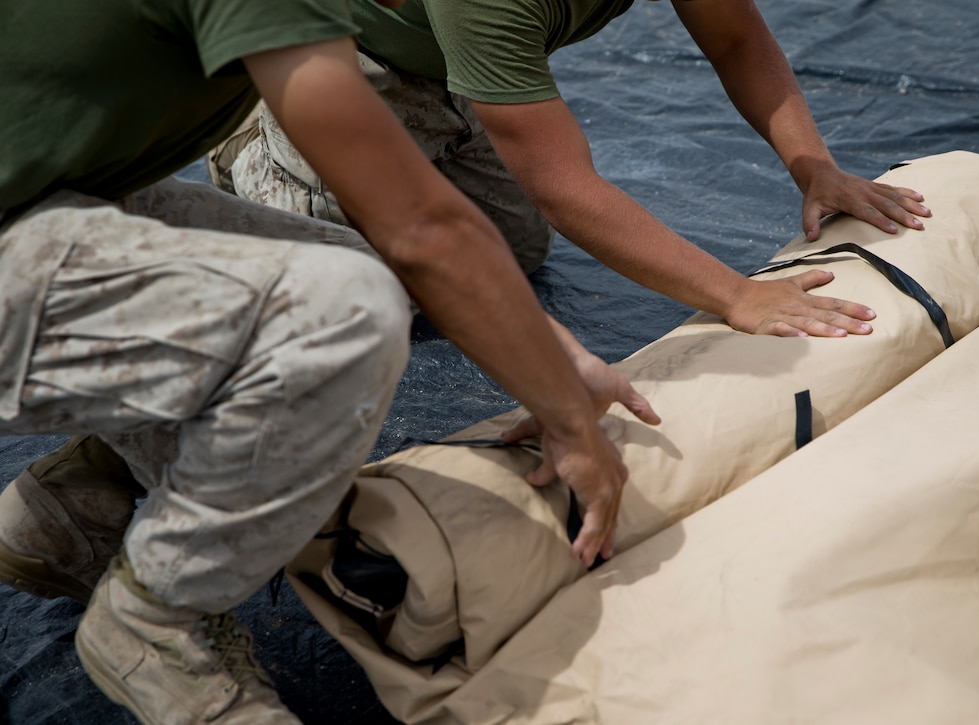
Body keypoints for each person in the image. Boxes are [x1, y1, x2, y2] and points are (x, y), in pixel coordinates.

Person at [0, 0, 660, 721]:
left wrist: (552, 357)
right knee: (342, 312)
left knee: (339, 264)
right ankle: (153, 619)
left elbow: (416, 220)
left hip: (60, 197)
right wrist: (568, 414)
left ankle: (72, 510)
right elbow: (419, 225)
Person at [213, 0, 933, 339]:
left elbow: (738, 38)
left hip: (450, 76)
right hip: (330, 59)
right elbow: (562, 187)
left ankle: (447, 123)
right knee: (339, 311)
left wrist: (813, 165)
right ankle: (248, 136)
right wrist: (737, 296)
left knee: (508, 253)